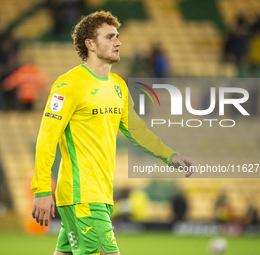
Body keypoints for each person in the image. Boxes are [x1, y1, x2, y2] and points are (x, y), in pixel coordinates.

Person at [31, 11, 195, 255]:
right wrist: (43, 189)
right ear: (91, 44)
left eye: (117, 36)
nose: (118, 41)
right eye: (109, 37)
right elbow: (47, 137)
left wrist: (170, 156)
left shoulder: (118, 85)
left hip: (100, 195)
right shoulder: (69, 85)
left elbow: (137, 131)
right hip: (83, 196)